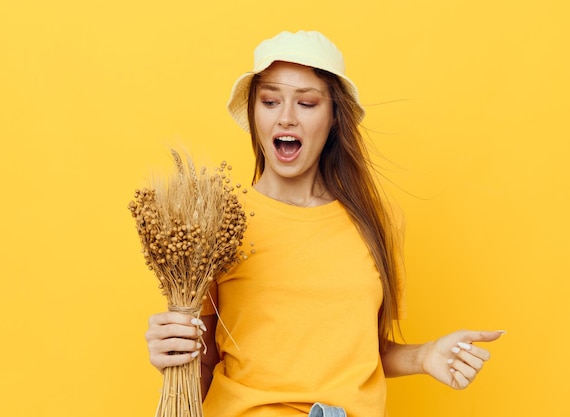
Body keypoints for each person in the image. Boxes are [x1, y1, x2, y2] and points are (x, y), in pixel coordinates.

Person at [145, 30, 504, 417]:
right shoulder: (218, 221)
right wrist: (174, 353)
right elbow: (205, 359)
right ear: (254, 112)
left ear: (334, 116)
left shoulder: (376, 221)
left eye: (307, 103)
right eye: (270, 101)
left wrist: (426, 355)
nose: (286, 117)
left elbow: (360, 353)